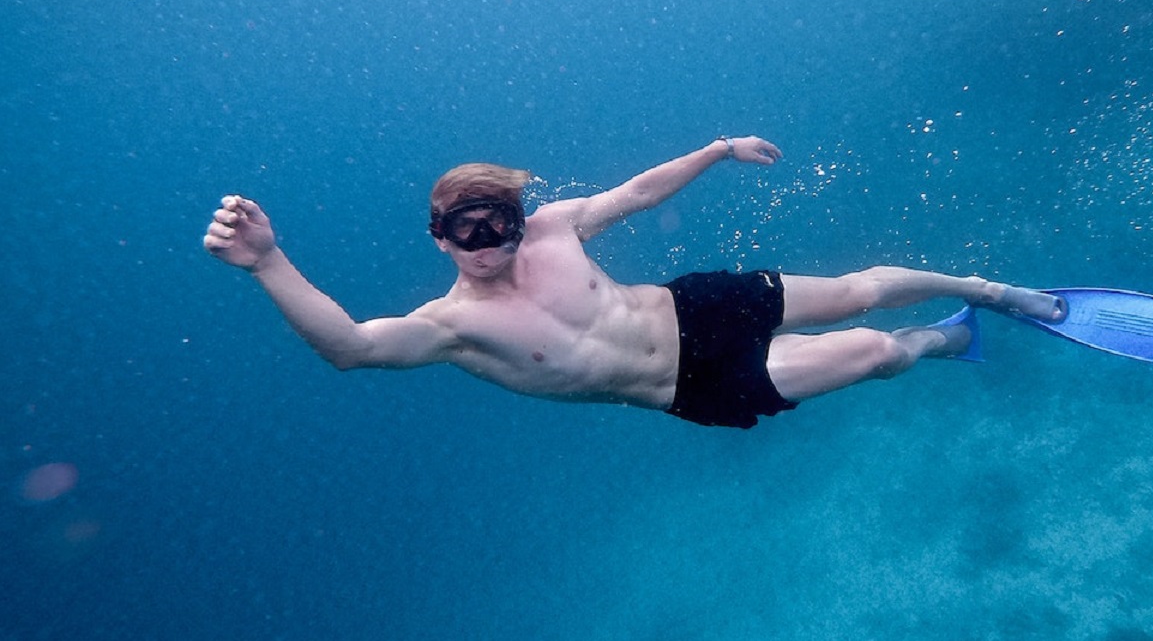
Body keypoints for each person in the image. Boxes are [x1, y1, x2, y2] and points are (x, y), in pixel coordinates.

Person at [203, 136, 1064, 429]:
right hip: (687, 383)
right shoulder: (449, 325)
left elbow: (638, 192)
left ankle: (990, 291)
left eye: (496, 220)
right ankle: (953, 339)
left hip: (698, 305)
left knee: (863, 288)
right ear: (438, 237)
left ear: (515, 214)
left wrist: (719, 149)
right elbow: (350, 348)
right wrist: (269, 263)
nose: (487, 242)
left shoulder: (551, 226)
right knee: (879, 350)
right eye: (466, 229)